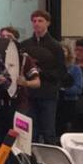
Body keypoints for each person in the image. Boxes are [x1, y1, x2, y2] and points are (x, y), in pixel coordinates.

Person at [20, 10, 64, 144]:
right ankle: (31, 163)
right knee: (30, 132)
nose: (36, 24)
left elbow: (61, 72)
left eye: (40, 21)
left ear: (48, 23)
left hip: (48, 94)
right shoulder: (25, 45)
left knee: (48, 132)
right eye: (34, 21)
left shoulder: (55, 46)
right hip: (29, 95)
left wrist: (40, 72)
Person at [0, 26, 41, 146]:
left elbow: (37, 82)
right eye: (2, 37)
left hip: (19, 104)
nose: (5, 39)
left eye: (9, 37)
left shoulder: (23, 57)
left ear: (16, 40)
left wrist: (25, 83)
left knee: (17, 143)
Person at [58, 41, 83, 137]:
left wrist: (63, 90)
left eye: (64, 51)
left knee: (67, 130)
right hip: (56, 104)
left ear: (69, 53)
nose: (63, 53)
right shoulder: (55, 68)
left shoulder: (75, 69)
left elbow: (78, 88)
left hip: (70, 104)